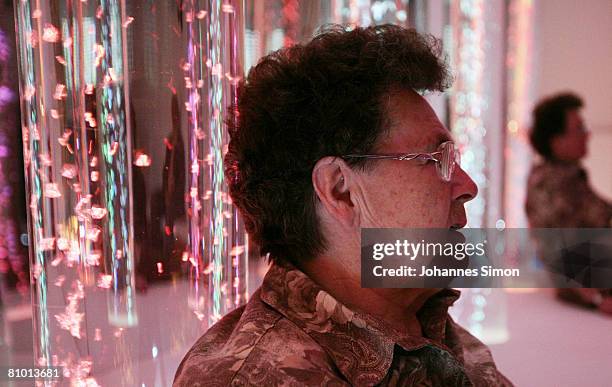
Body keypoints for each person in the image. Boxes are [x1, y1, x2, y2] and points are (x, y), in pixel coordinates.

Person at [174, 24, 512, 386]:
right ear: (340, 191)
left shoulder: (436, 335)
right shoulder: (254, 379)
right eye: (436, 159)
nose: (468, 186)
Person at [525, 92, 612, 314]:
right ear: (557, 140)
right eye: (579, 129)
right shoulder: (552, 185)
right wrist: (596, 299)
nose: (587, 134)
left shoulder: (567, 178)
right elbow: (558, 255)